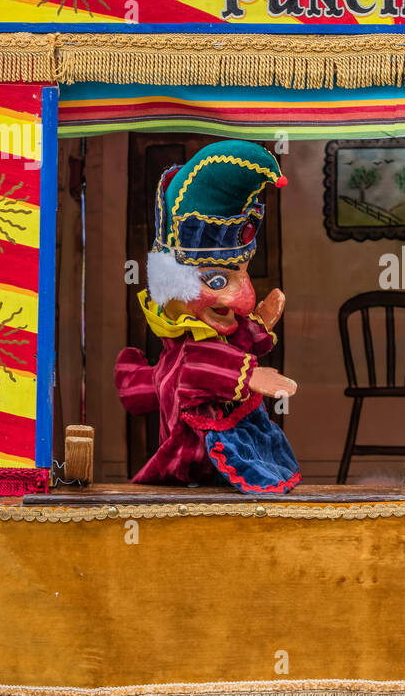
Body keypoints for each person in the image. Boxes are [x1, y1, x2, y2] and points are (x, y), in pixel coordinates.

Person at [115, 140, 301, 493]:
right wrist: (247, 375)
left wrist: (258, 327)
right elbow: (196, 368)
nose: (244, 300)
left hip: (226, 429)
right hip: (194, 447)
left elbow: (236, 343)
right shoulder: (185, 351)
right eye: (217, 279)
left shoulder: (215, 331)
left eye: (243, 273)